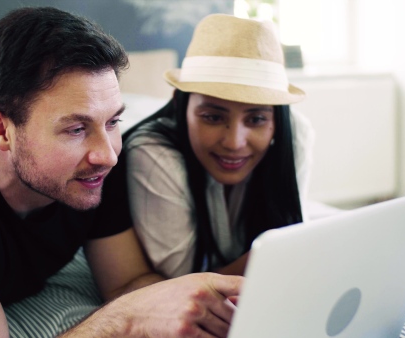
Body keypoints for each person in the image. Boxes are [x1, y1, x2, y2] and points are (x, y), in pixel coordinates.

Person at [0, 7, 242, 337]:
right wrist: (126, 319)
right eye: (75, 129)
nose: (107, 155)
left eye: (112, 122)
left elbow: (126, 282)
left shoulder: (96, 165)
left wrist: (196, 307)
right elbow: (126, 307)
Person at [101, 14, 308, 278]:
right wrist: (279, 252)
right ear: (180, 104)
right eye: (213, 117)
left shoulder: (295, 136)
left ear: (277, 119)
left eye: (256, 119)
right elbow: (180, 281)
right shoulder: (153, 152)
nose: (234, 143)